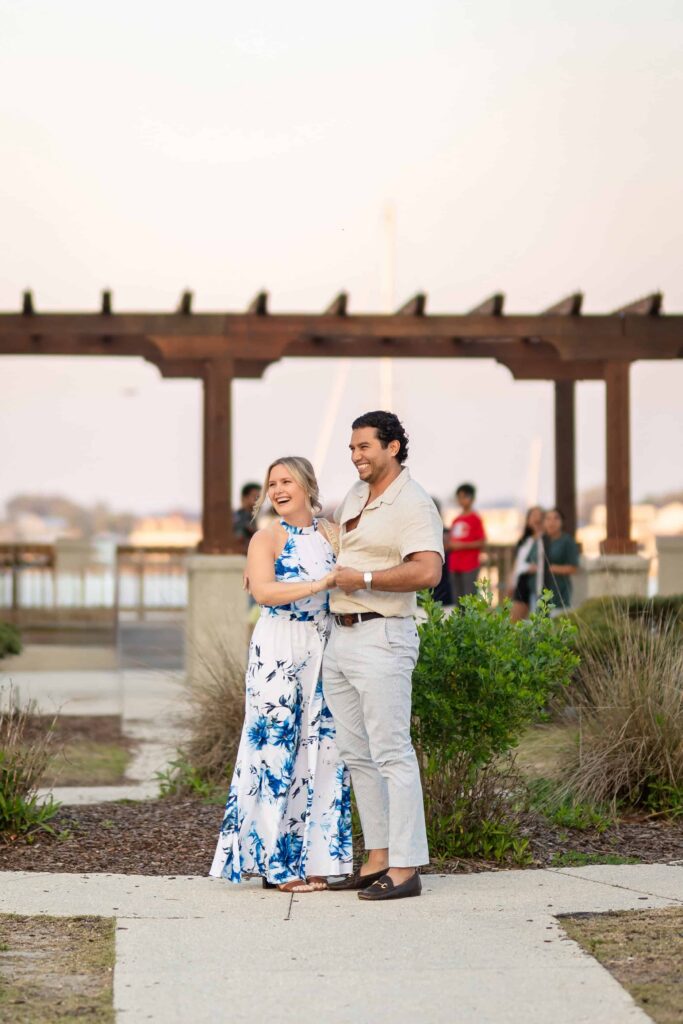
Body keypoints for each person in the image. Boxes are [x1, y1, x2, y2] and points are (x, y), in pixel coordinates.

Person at [210, 457, 352, 893]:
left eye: (286, 480)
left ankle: (318, 861)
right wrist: (320, 585)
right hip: (278, 647)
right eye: (272, 483)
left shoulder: (332, 532)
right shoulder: (265, 538)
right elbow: (266, 592)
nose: (277, 489)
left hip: (325, 647)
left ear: (308, 485)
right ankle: (276, 866)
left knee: (326, 750)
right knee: (276, 750)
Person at [323, 411, 444, 902]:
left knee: (392, 752)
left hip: (384, 636)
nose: (356, 457)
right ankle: (377, 858)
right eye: (351, 449)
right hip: (342, 635)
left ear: (393, 447)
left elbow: (428, 571)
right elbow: (348, 545)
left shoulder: (414, 503)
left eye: (364, 447)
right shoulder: (357, 494)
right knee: (358, 754)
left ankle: (407, 866)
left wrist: (366, 580)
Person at [446, 483, 486, 602]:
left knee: (469, 599)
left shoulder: (475, 519)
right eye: (459, 497)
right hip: (454, 564)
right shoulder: (456, 520)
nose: (461, 500)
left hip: (469, 565)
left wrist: (461, 546)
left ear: (472, 498)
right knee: (457, 600)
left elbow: (482, 542)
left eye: (465, 496)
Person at [508, 506, 545, 622]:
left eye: (540, 516)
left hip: (538, 583)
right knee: (515, 620)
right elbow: (517, 564)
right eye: (533, 516)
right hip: (523, 581)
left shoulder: (545, 539)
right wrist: (512, 582)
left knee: (537, 619)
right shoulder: (524, 541)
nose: (537, 519)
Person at [542, 507, 580, 612]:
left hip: (559, 592)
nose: (552, 522)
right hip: (540, 593)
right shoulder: (541, 541)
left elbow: (574, 568)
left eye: (556, 518)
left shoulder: (567, 541)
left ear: (562, 522)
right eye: (548, 519)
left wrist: (552, 568)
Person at [233, 482, 261, 551]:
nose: (259, 501)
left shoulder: (251, 516)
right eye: (255, 497)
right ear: (244, 498)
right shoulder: (239, 517)